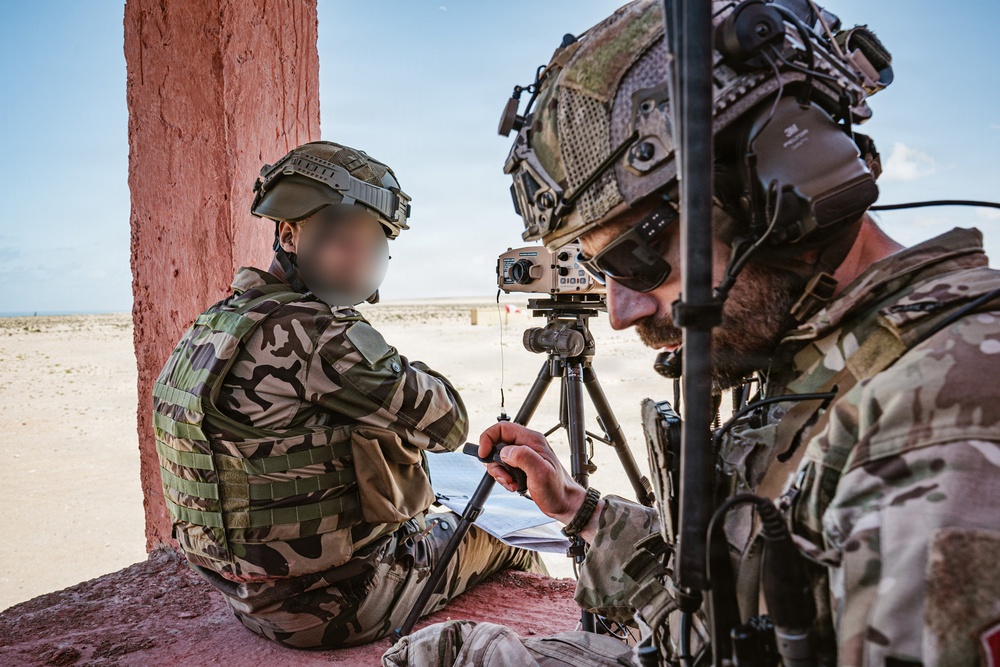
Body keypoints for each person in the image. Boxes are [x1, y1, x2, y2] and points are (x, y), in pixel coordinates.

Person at [384, 1, 1000, 665]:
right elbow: (737, 587)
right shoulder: (822, 352)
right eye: (599, 269)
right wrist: (577, 508)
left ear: (774, 185)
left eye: (636, 258)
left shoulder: (940, 422)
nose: (618, 311)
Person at [152, 140, 543, 649]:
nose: (361, 257)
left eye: (373, 242)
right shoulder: (319, 333)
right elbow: (450, 424)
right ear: (290, 235)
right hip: (333, 606)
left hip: (246, 598)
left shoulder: (218, 320)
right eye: (344, 239)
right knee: (504, 541)